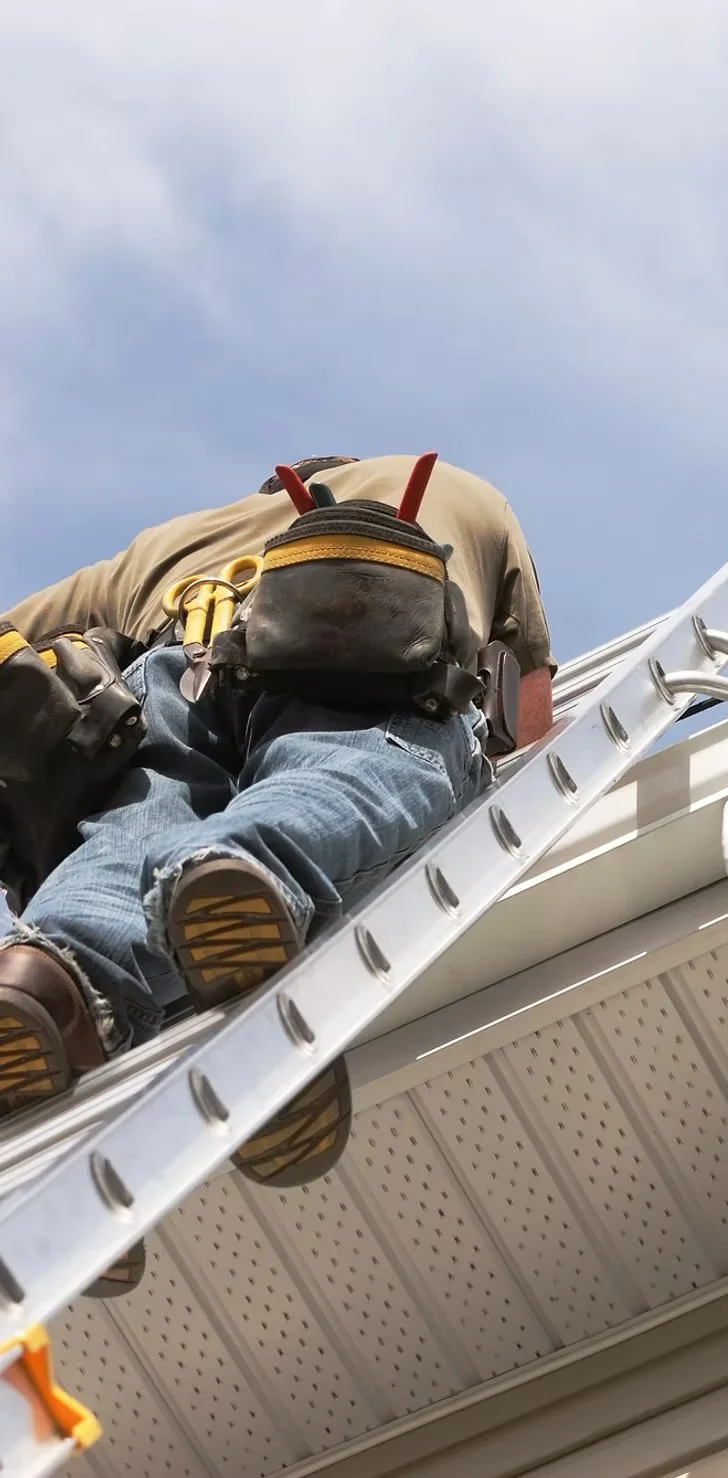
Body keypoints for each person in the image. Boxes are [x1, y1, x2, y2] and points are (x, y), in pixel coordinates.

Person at [0, 453, 554, 1296]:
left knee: (127, 840)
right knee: (356, 769)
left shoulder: (164, 546)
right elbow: (536, 725)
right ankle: (254, 867)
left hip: (169, 679)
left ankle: (47, 979)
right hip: (361, 622)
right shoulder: (463, 494)